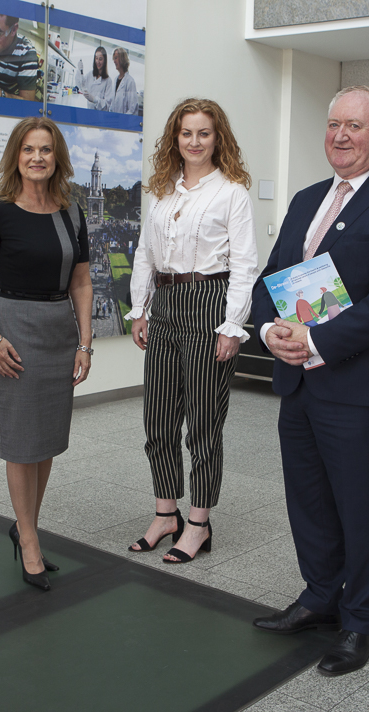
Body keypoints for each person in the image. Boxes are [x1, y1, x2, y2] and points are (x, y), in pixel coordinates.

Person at [250, 86, 369, 677]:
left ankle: (362, 621)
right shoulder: (308, 199)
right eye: (333, 124)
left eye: (354, 126)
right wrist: (267, 332)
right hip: (298, 384)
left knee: (358, 509)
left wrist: (317, 341)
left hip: (358, 387)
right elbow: (270, 279)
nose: (340, 135)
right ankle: (319, 598)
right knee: (307, 502)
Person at [125, 98, 258, 564]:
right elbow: (145, 253)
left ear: (217, 138)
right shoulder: (163, 190)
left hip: (209, 305)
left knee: (202, 424)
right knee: (157, 420)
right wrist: (139, 308)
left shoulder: (232, 192)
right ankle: (166, 514)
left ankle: (198, 522)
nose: (195, 142)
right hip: (163, 305)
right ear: (175, 139)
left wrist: (232, 326)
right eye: (186, 133)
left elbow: (244, 265)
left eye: (204, 133)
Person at [0, 117, 92, 592]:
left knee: (46, 439)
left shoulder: (70, 212)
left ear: (56, 156)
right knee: (21, 441)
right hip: (14, 329)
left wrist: (85, 342)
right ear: (16, 156)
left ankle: (25, 527)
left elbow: (80, 281)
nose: (37, 157)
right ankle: (31, 540)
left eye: (46, 149)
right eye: (28, 149)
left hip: (59, 332)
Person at [76, 46, 113, 111]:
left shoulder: (108, 81)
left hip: (100, 116)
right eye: (96, 58)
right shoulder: (90, 74)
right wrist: (80, 71)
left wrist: (94, 99)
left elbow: (107, 106)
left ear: (104, 61)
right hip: (89, 112)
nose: (98, 61)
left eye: (100, 59)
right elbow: (81, 85)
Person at [108, 46, 138, 114]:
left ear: (122, 59)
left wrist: (122, 121)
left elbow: (132, 108)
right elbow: (112, 105)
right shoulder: (115, 80)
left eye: (116, 58)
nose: (114, 61)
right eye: (114, 59)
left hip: (125, 122)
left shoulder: (130, 81)